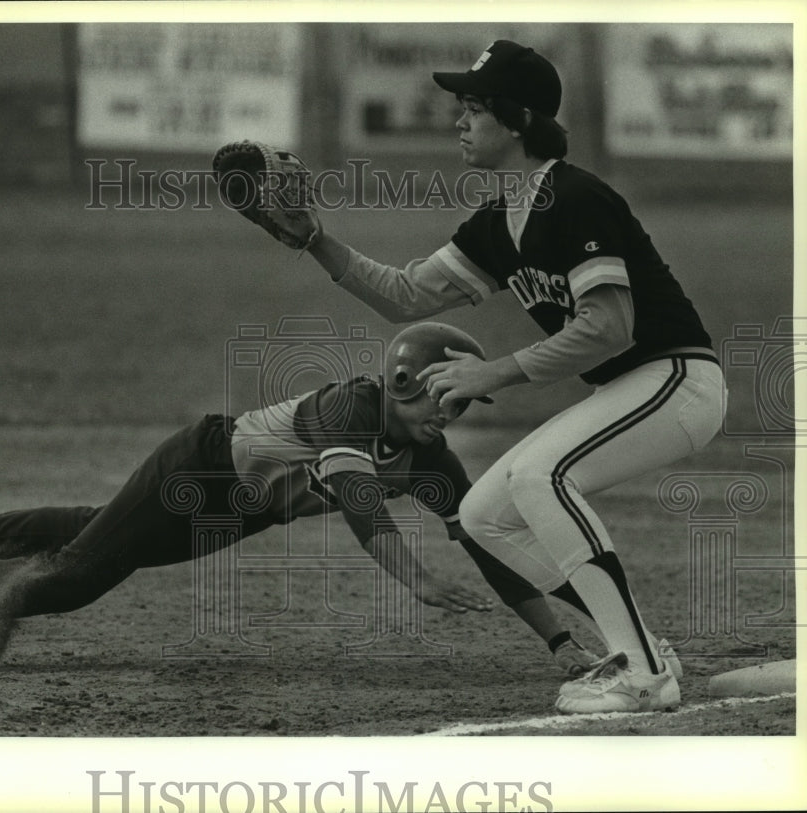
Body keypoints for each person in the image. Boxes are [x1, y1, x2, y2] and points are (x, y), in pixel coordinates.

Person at [291, 40, 720, 713]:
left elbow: (610, 326)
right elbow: (407, 295)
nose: (458, 120)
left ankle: (641, 669)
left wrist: (494, 370)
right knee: (486, 514)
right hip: (632, 389)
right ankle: (641, 644)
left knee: (538, 475)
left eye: (472, 107)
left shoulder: (575, 197)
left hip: (677, 381)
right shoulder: (499, 222)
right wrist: (316, 239)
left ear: (516, 119)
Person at [0, 322, 600, 675]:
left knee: (92, 536)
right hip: (202, 467)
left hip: (241, 510)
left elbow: (482, 539)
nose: (454, 411)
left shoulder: (430, 457)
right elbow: (362, 509)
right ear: (405, 380)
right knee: (83, 574)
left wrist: (560, 639)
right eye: (445, 393)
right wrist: (419, 579)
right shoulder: (352, 408)